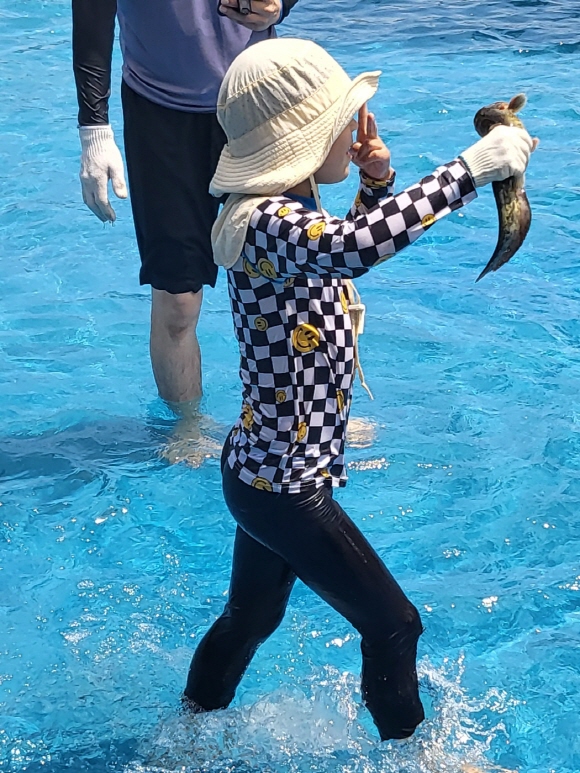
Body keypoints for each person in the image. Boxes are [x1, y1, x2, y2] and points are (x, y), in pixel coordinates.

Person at [182, 38, 535, 740]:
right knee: (394, 624)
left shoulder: (277, 212)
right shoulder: (266, 221)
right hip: (283, 485)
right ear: (301, 139)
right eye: (339, 121)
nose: (354, 128)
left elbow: (335, 245)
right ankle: (412, 758)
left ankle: (186, 731)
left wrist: (375, 183)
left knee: (252, 617)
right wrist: (471, 169)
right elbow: (350, 249)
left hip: (261, 470)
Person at [71, 0, 300, 407]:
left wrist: (280, 4)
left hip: (258, 100)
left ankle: (315, 411)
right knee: (177, 300)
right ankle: (187, 429)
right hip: (160, 114)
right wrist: (94, 129)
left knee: (294, 275)